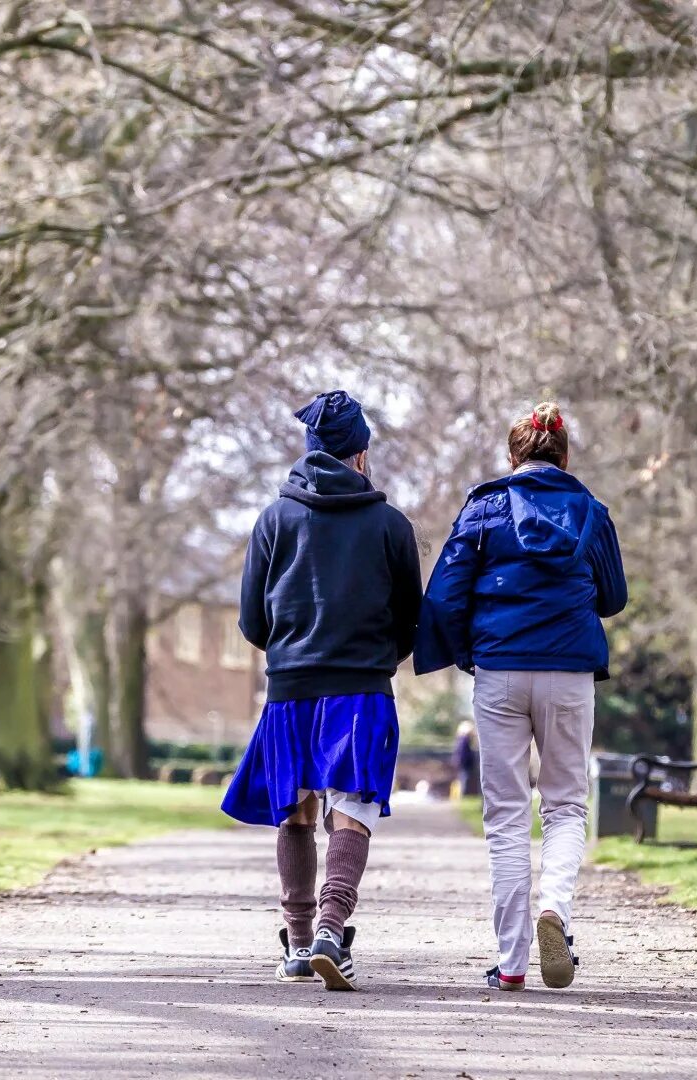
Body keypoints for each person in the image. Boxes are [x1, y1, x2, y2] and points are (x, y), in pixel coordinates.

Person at [413, 401, 628, 992]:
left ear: (513, 458)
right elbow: (613, 597)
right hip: (569, 672)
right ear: (564, 456)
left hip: (501, 672)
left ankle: (511, 964)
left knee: (506, 816)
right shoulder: (591, 513)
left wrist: (464, 653)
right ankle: (554, 911)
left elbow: (447, 594)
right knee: (564, 805)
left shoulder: (485, 508)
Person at [221, 390, 421, 991]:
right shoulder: (391, 525)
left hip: (291, 688)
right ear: (360, 455)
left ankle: (299, 942)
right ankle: (334, 927)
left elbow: (252, 622)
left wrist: (292, 653)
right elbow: (412, 617)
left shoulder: (273, 520)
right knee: (351, 809)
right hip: (361, 688)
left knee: (298, 809)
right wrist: (377, 658)